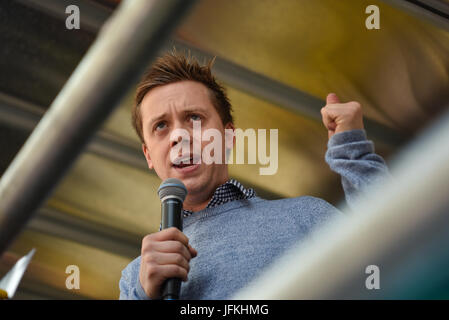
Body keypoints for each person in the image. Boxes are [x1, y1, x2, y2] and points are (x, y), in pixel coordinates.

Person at [118, 50, 389, 300]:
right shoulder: (135, 279)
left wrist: (353, 152)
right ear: (149, 155)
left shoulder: (305, 216)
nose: (179, 136)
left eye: (194, 118)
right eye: (161, 125)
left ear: (228, 137)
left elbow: (397, 258)